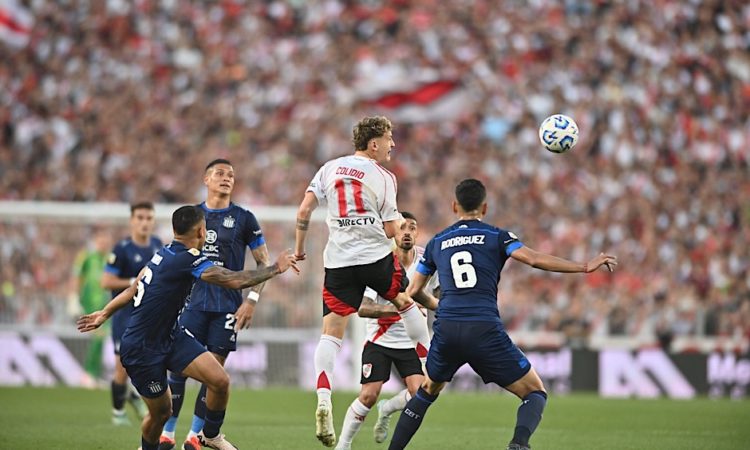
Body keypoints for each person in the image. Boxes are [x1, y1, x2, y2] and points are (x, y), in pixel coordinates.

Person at [388, 179, 618, 450]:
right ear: (484, 207)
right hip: (483, 328)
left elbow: (413, 291)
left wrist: (441, 306)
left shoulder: (437, 242)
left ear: (454, 206)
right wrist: (584, 267)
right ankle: (518, 445)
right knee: (534, 392)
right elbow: (532, 259)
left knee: (427, 391)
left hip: (447, 327)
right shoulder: (498, 236)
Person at [78, 205, 298, 450]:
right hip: (142, 349)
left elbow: (133, 288)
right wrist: (275, 268)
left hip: (171, 337)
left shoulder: (163, 253)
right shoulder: (187, 258)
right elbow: (232, 280)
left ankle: (210, 435)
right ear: (202, 231)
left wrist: (104, 313)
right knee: (162, 413)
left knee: (220, 381)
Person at [295, 116, 432, 447]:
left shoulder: (328, 169)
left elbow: (304, 211)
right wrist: (393, 228)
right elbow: (389, 230)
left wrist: (300, 249)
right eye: (388, 139)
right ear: (373, 143)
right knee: (406, 300)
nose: (392, 145)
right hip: (373, 259)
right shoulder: (384, 177)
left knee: (331, 332)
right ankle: (429, 362)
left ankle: (324, 398)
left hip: (337, 262)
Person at [160, 159, 272, 450]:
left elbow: (263, 262)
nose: (227, 178)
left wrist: (253, 300)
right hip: (191, 304)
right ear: (206, 179)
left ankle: (195, 437)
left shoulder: (245, 218)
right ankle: (166, 433)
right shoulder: (192, 217)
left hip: (227, 308)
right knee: (178, 370)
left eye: (231, 175)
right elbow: (175, 256)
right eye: (220, 174)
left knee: (215, 375)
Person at [335, 212, 439, 450]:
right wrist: (405, 309)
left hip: (412, 341)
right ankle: (343, 445)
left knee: (421, 395)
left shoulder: (428, 262)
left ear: (417, 233)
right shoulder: (379, 262)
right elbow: (364, 308)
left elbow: (441, 294)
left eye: (411, 227)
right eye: (401, 227)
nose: (406, 232)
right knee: (369, 395)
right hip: (380, 340)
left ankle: (388, 408)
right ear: (392, 233)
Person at [101, 201, 163, 426]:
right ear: (132, 221)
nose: (144, 222)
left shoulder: (157, 245)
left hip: (149, 316)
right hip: (124, 315)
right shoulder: (122, 249)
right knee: (122, 368)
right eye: (140, 218)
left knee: (149, 364)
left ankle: (137, 397)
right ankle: (118, 412)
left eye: (149, 218)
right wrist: (134, 281)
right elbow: (105, 281)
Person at [72, 227, 113, 385]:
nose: (103, 243)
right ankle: (88, 373)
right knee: (98, 338)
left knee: (101, 339)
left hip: (106, 307)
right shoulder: (86, 257)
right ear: (95, 240)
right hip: (89, 304)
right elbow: (77, 276)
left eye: (106, 239)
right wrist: (74, 297)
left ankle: (93, 374)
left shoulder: (110, 258)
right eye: (100, 239)